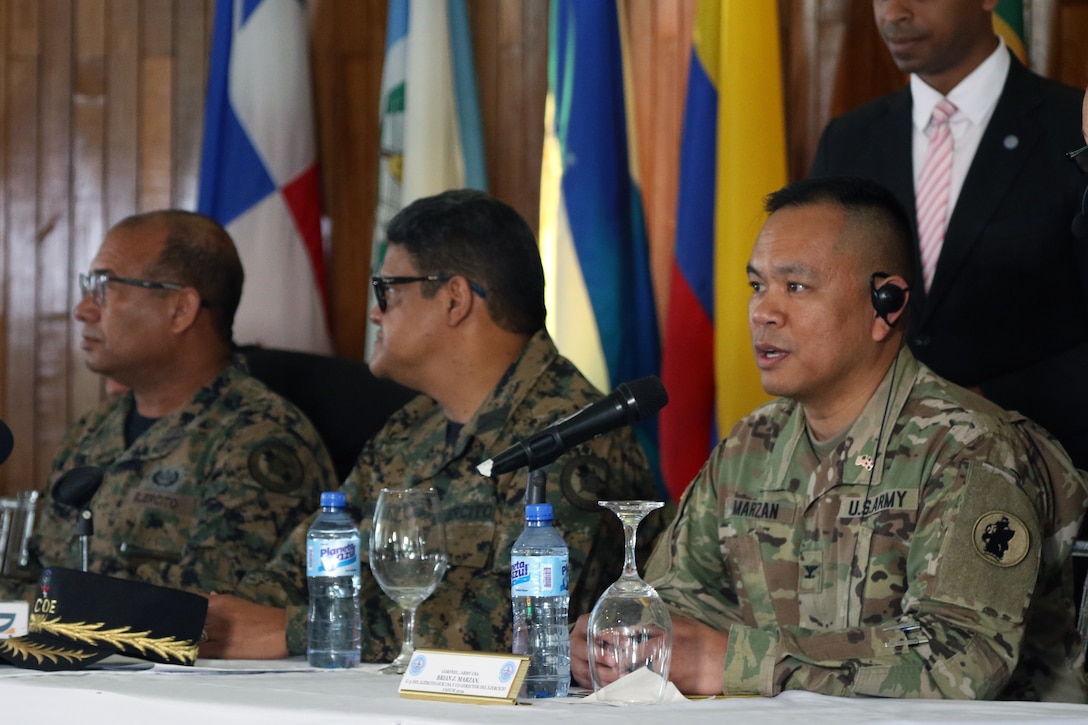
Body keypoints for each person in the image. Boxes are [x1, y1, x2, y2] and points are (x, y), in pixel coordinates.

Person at [571, 176, 1088, 701]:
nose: (763, 312)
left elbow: (959, 661)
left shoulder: (968, 448)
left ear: (886, 305)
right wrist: (628, 644)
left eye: (795, 287)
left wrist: (736, 661)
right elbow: (681, 603)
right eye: (757, 286)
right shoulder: (750, 445)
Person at [200, 189, 664, 661]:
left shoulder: (574, 435)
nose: (375, 312)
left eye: (388, 291)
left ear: (454, 299)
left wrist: (299, 630)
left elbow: (522, 620)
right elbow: (306, 565)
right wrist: (217, 617)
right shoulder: (409, 429)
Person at [0, 210, 337, 600]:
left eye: (104, 287)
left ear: (180, 310)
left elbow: (216, 611)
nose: (83, 310)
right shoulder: (92, 431)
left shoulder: (260, 438)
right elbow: (36, 572)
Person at [809, 0, 1088, 470]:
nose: (892, 13)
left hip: (1040, 473)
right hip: (872, 482)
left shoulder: (1073, 130)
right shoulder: (849, 138)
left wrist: (970, 406)